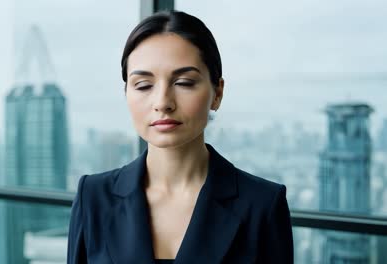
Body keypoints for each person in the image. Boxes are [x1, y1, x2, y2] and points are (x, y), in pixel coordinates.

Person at [67, 10, 293, 264]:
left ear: (217, 93)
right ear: (126, 93)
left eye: (184, 82)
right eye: (143, 85)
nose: (162, 102)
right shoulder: (93, 197)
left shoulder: (262, 204)